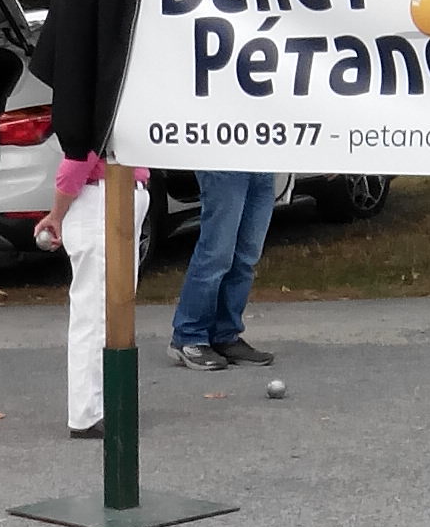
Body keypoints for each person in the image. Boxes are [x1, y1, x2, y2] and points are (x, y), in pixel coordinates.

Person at [32, 152, 149, 437]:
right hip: (100, 196)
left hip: (114, 193)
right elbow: (80, 154)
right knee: (96, 312)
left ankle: (102, 405)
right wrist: (56, 213)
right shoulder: (97, 106)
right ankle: (87, 414)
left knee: (107, 311)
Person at [168, 173, 277, 371]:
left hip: (262, 162)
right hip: (224, 160)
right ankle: (189, 336)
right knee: (216, 253)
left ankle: (225, 335)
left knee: (246, 255)